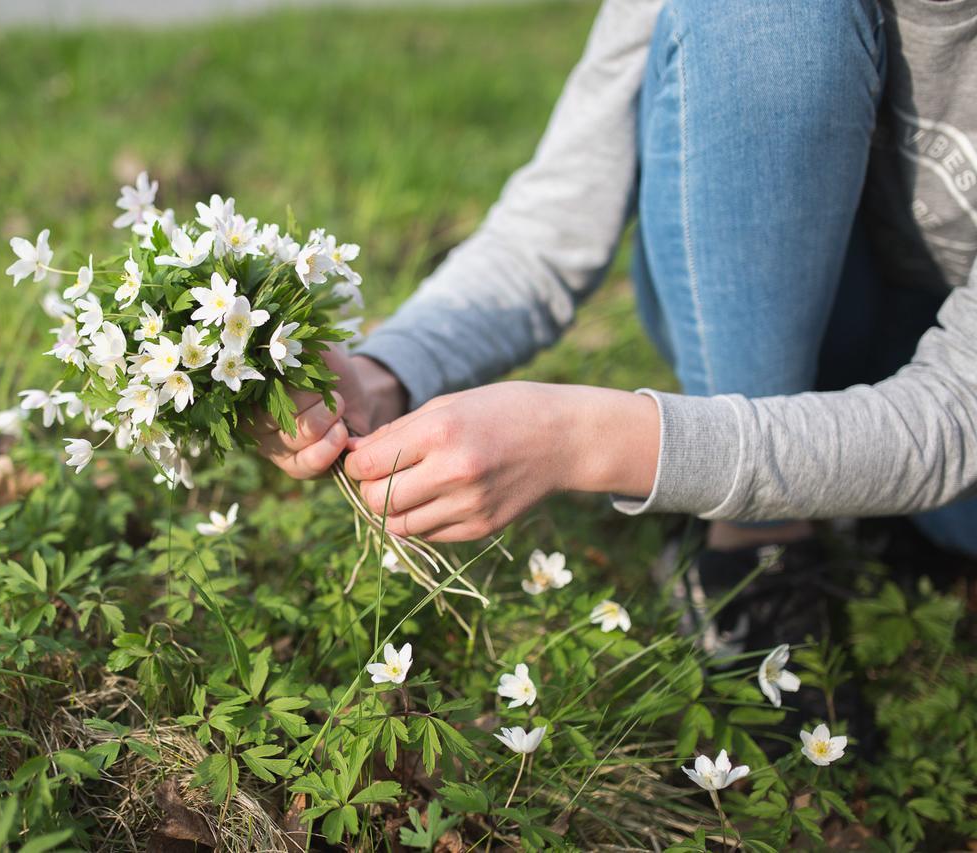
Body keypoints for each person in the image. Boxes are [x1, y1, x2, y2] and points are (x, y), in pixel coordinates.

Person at [251, 0, 977, 651]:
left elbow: (952, 420)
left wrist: (583, 439)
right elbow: (552, 225)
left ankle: (852, 508)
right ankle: (756, 542)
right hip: (785, 331)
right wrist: (390, 371)